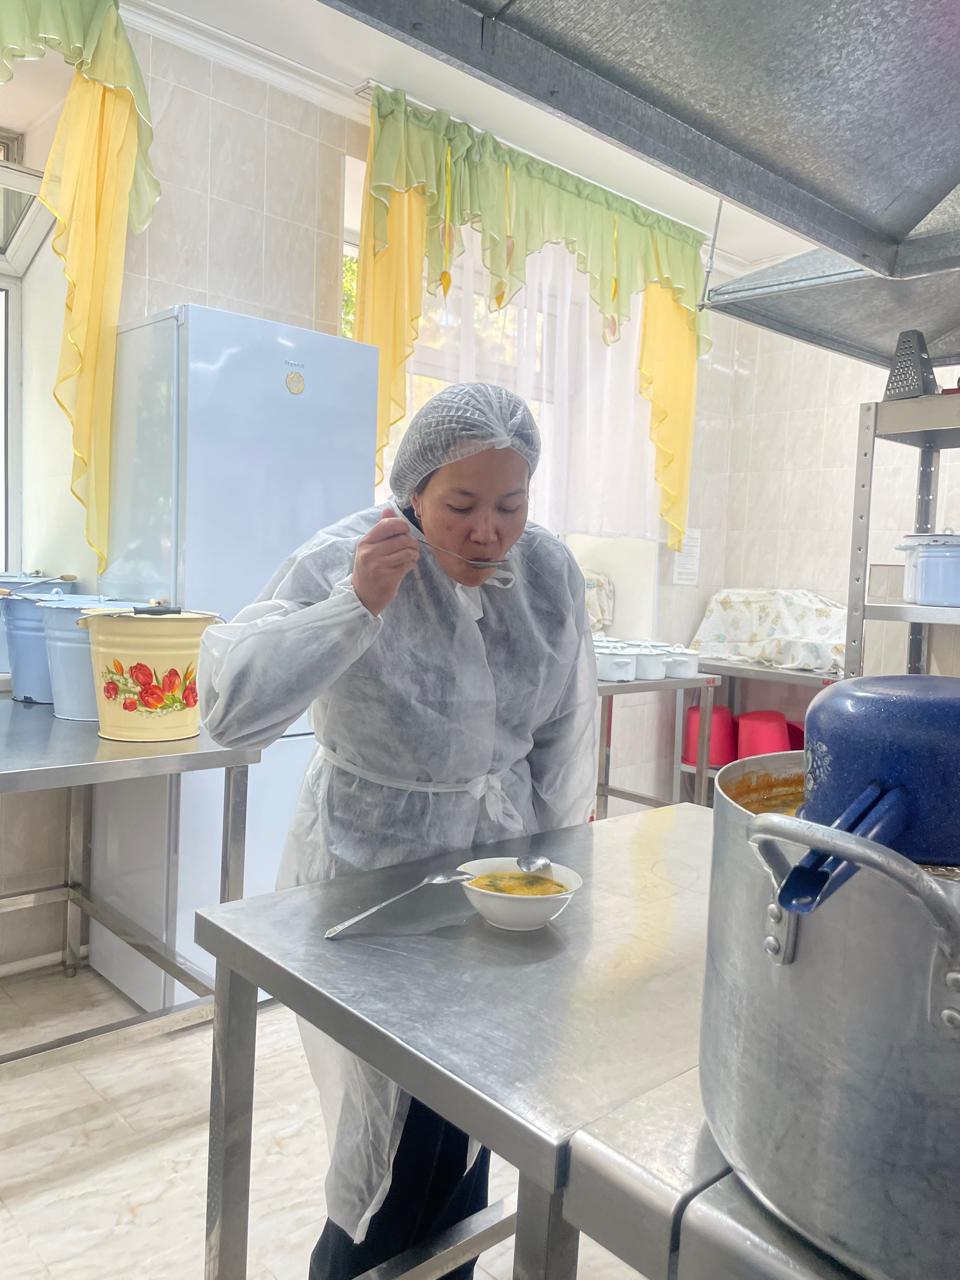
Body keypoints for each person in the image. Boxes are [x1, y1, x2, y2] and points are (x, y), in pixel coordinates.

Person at [199, 382, 598, 1279]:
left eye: (510, 505)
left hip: (499, 881)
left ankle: (446, 1264)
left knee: (472, 1112)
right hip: (371, 875)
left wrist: (554, 862)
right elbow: (231, 710)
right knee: (388, 1139)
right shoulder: (349, 556)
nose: (487, 533)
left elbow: (564, 732)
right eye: (461, 505)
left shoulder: (547, 573)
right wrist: (355, 604)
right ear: (413, 489)